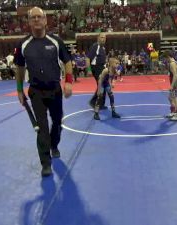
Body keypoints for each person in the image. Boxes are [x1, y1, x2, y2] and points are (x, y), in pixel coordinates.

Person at [14, 6, 73, 177]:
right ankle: (45, 163)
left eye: (40, 17)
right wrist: (19, 90)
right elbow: (19, 68)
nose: (37, 20)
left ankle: (54, 145)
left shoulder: (56, 41)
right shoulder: (23, 44)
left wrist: (68, 82)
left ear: (46, 20)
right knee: (41, 128)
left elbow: (67, 62)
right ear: (29, 22)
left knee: (57, 123)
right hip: (36, 92)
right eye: (33, 17)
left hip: (55, 90)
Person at [86, 33, 107, 109]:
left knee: (104, 85)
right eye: (101, 37)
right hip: (96, 68)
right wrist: (89, 70)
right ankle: (93, 102)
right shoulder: (95, 46)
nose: (103, 39)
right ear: (98, 38)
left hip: (102, 68)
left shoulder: (103, 48)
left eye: (104, 38)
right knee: (101, 85)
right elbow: (87, 58)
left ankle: (101, 104)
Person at [162, 50, 177, 121]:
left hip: (175, 83)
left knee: (175, 98)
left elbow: (175, 75)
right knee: (170, 98)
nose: (165, 60)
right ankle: (173, 112)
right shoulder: (171, 63)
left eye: (165, 58)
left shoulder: (172, 64)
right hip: (174, 83)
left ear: (168, 57)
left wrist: (172, 86)